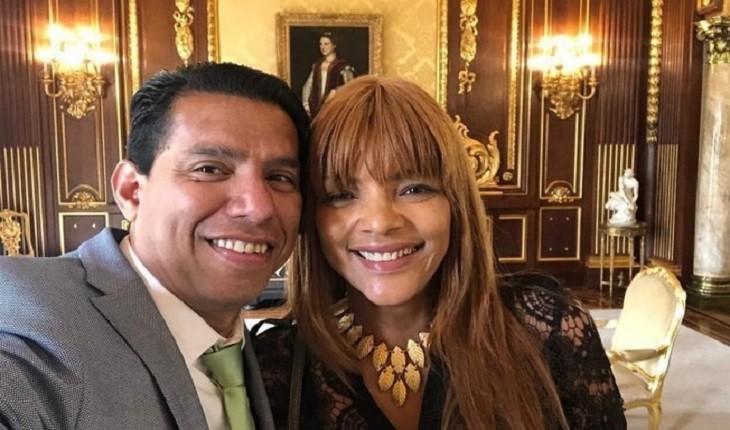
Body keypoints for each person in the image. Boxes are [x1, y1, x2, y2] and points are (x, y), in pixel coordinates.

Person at [253, 76, 627, 429]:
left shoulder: (548, 330)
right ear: (312, 218)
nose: (380, 222)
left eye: (414, 189)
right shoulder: (275, 366)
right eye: (341, 195)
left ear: (455, 204)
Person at [0, 62, 309, 429]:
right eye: (209, 169)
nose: (259, 208)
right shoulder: (41, 324)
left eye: (279, 177)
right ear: (131, 190)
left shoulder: (265, 356)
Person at [301, 31, 354, 118]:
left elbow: (351, 86)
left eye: (326, 44)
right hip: (316, 109)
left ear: (334, 45)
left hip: (335, 108)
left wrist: (336, 91)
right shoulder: (317, 65)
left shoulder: (343, 65)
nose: (322, 47)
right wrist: (306, 104)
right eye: (320, 44)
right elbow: (308, 86)